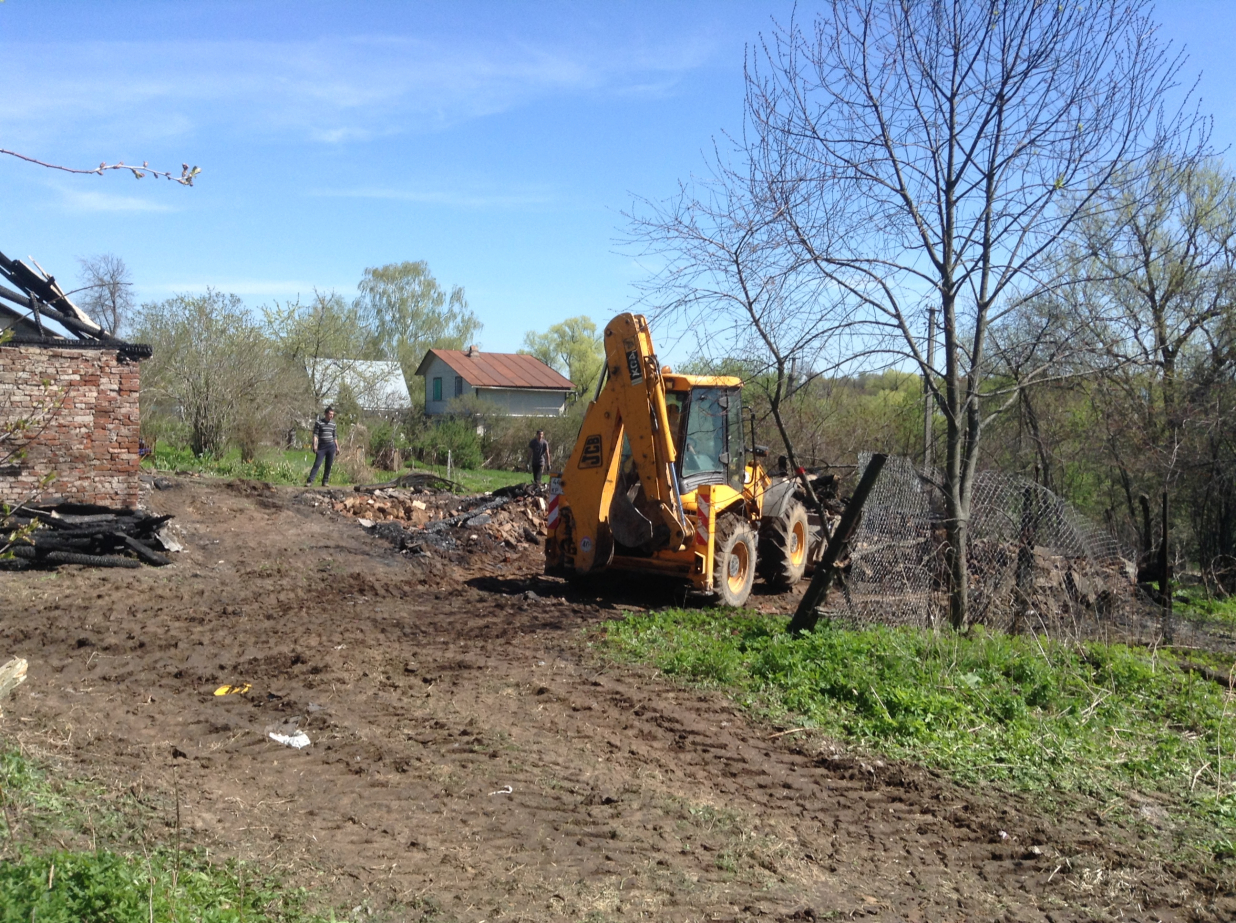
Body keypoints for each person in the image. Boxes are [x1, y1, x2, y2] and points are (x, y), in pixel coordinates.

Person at [306, 407, 338, 486]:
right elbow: (315, 435)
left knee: (328, 465)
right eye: (330, 414)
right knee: (317, 463)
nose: (331, 416)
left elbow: (335, 436)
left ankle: (325, 481)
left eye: (332, 414)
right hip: (322, 446)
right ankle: (310, 481)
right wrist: (315, 445)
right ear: (326, 414)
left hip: (331, 446)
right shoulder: (319, 423)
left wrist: (337, 446)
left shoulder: (333, 424)